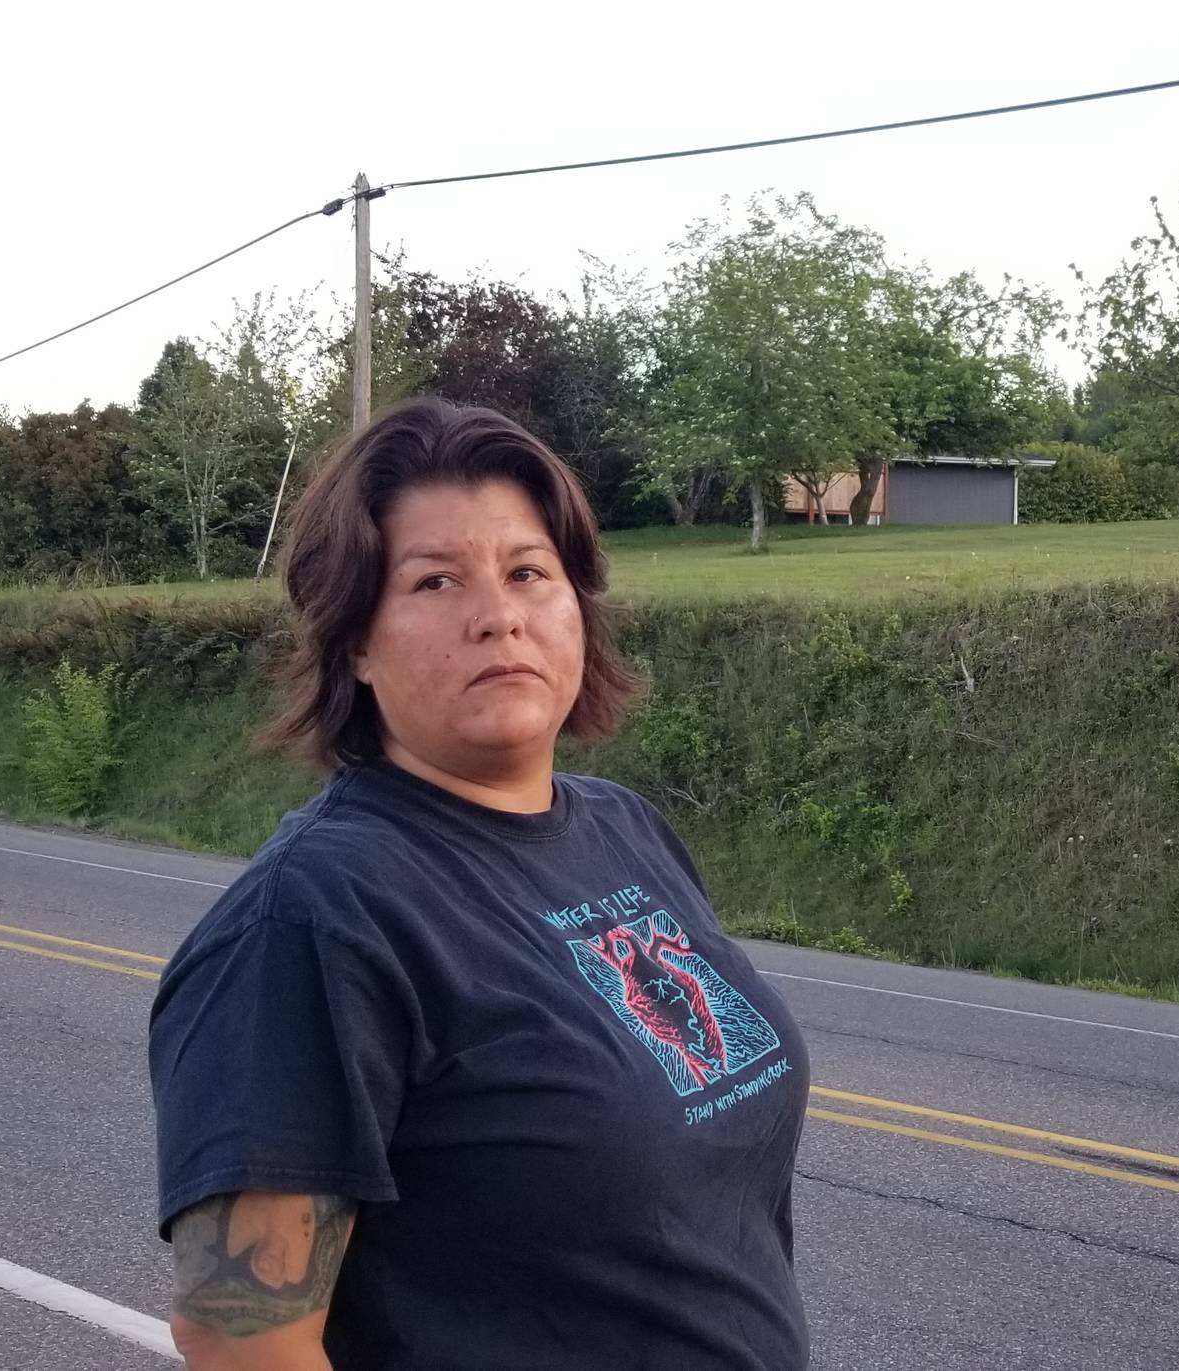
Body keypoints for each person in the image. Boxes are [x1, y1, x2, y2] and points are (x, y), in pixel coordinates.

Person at [148, 398, 811, 1371]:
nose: (496, 615)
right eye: (434, 581)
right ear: (356, 642)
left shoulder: (624, 832)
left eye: (527, 572)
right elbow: (239, 1334)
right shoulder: (313, 924)